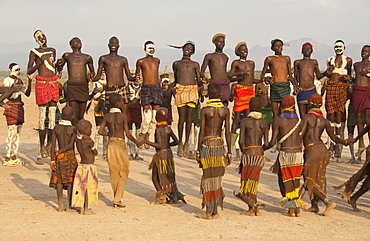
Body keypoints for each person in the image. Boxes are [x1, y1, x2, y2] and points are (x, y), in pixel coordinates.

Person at [300, 94, 349, 216]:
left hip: (311, 149)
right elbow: (334, 138)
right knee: (317, 179)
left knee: (308, 179)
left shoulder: (306, 117)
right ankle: (314, 206)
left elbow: (300, 134)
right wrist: (345, 142)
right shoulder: (325, 121)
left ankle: (327, 202)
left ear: (310, 104)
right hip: (323, 150)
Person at [196, 82, 231, 220]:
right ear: (220, 94)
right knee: (217, 178)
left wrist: (198, 150)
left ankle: (208, 211)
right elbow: (227, 132)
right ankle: (214, 210)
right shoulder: (225, 110)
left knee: (207, 177)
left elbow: (202, 132)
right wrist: (229, 152)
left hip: (207, 145)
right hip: (219, 145)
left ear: (208, 93)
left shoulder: (205, 110)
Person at [98, 94, 141, 207]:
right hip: (120, 143)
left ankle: (117, 197)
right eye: (122, 102)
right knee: (124, 170)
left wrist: (110, 133)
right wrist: (137, 142)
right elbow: (127, 134)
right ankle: (117, 199)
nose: (123, 104)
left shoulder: (107, 116)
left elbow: (100, 132)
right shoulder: (123, 116)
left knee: (114, 171)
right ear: (117, 103)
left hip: (111, 143)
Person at [266, 96, 304, 217]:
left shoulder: (278, 120)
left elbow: (272, 142)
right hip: (298, 153)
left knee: (285, 180)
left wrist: (262, 148)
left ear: (282, 105)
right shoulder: (299, 120)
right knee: (295, 180)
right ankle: (296, 208)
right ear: (294, 105)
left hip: (285, 153)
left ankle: (291, 209)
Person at [27, 30, 59, 165]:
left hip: (53, 83)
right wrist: (38, 64)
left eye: (43, 35)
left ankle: (49, 146)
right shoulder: (34, 52)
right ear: (36, 40)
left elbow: (55, 67)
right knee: (41, 118)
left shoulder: (53, 50)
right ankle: (40, 150)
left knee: (52, 119)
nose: (42, 38)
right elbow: (29, 71)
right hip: (41, 84)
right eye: (38, 37)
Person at [144, 107, 186, 204]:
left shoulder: (158, 129)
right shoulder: (168, 128)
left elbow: (159, 145)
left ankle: (162, 196)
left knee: (155, 177)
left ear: (157, 117)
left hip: (161, 155)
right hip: (168, 154)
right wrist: (167, 145)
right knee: (169, 177)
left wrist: (146, 141)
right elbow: (176, 141)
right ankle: (173, 195)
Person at [234, 97, 269, 216]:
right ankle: (255, 207)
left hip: (249, 152)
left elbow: (241, 141)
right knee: (254, 180)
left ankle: (252, 208)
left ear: (249, 107)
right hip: (259, 152)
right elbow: (268, 142)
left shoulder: (245, 121)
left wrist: (244, 151)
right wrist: (261, 149)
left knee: (246, 180)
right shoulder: (264, 122)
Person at [171, 41, 202, 157]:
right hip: (181, 90)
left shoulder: (195, 64)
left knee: (189, 119)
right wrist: (171, 88)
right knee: (181, 118)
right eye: (186, 47)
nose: (187, 49)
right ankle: (180, 143)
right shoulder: (176, 64)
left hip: (192, 90)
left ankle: (186, 144)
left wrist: (201, 82)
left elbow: (198, 80)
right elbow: (176, 78)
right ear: (182, 49)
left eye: (190, 48)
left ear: (193, 52)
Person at [228, 42, 256, 160]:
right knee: (236, 119)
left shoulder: (251, 63)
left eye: (246, 49)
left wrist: (264, 80)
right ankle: (232, 146)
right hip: (240, 91)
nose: (245, 51)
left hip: (250, 91)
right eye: (242, 50)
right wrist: (240, 75)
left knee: (248, 119)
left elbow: (252, 79)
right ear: (238, 52)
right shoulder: (236, 63)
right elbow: (230, 76)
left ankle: (246, 144)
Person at [324, 40, 353, 158]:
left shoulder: (348, 61)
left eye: (340, 46)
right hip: (331, 87)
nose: (338, 48)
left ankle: (336, 144)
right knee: (330, 114)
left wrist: (348, 79)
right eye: (336, 46)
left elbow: (350, 76)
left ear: (344, 48)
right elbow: (327, 74)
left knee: (338, 115)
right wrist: (327, 73)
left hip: (342, 88)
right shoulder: (330, 60)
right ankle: (331, 141)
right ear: (333, 48)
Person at [56, 37, 95, 122]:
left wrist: (90, 75)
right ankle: (74, 132)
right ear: (71, 45)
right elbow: (59, 68)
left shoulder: (87, 57)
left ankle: (79, 132)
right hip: (72, 86)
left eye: (79, 41)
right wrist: (58, 64)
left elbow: (92, 72)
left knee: (81, 115)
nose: (78, 42)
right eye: (75, 41)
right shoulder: (67, 56)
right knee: (73, 114)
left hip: (83, 86)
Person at [1, 63, 32, 166]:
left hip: (19, 107)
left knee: (18, 133)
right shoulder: (7, 80)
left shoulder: (19, 81)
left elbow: (27, 93)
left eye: (19, 69)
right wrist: (3, 104)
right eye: (16, 69)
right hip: (11, 106)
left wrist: (30, 80)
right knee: (11, 132)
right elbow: (5, 94)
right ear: (10, 69)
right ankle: (7, 157)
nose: (18, 71)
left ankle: (14, 156)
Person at [49, 106, 78, 212]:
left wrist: (52, 159)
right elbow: (71, 146)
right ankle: (68, 206)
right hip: (69, 156)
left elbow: (53, 145)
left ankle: (60, 204)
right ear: (72, 117)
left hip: (59, 158)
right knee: (70, 181)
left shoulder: (56, 128)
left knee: (59, 181)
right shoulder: (73, 129)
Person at [94, 36, 134, 109]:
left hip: (122, 88)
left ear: (118, 46)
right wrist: (91, 79)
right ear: (108, 45)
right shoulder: (103, 58)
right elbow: (98, 76)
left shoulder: (123, 59)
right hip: (110, 88)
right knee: (110, 112)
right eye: (111, 43)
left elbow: (129, 77)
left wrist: (134, 78)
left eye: (115, 43)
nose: (113, 45)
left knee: (124, 111)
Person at [261, 39, 297, 118]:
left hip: (285, 86)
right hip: (274, 86)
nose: (279, 47)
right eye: (276, 46)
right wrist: (266, 79)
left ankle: (281, 129)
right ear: (272, 48)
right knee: (275, 111)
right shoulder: (269, 59)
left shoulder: (287, 58)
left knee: (283, 110)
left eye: (280, 46)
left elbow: (290, 76)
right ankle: (275, 129)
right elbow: (262, 75)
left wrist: (295, 85)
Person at [294, 42, 331, 116]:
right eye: (305, 48)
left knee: (312, 115)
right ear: (302, 51)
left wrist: (325, 73)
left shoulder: (314, 62)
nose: (307, 50)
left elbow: (318, 76)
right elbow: (294, 77)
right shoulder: (297, 62)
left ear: (312, 51)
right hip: (301, 91)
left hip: (311, 91)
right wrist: (295, 86)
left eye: (309, 48)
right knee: (303, 116)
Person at [135, 41, 162, 145]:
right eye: (149, 48)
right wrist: (137, 81)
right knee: (146, 118)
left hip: (156, 88)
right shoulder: (141, 61)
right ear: (145, 49)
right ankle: (142, 133)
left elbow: (157, 74)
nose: (151, 50)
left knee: (155, 119)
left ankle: (148, 135)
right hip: (146, 88)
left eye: (153, 48)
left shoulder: (157, 61)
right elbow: (137, 75)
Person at [72, 120, 99, 215]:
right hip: (89, 167)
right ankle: (86, 208)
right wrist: (91, 141)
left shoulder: (78, 140)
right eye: (89, 129)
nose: (91, 131)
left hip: (81, 165)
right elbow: (95, 152)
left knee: (81, 187)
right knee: (88, 188)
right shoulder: (88, 142)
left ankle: (81, 208)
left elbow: (79, 136)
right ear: (84, 129)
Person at [200, 33, 230, 105]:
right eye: (219, 42)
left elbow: (224, 72)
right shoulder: (209, 56)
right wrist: (204, 79)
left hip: (225, 85)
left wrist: (239, 74)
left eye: (223, 42)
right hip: (214, 85)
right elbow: (201, 71)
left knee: (224, 105)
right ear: (215, 43)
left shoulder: (226, 57)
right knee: (213, 105)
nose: (221, 44)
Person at [351, 45, 370, 157]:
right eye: (363, 51)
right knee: (358, 119)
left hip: (367, 93)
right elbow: (356, 79)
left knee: (367, 119)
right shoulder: (356, 64)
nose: (364, 53)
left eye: (367, 51)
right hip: (357, 91)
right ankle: (361, 144)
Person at [89, 71, 108, 160]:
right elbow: (93, 95)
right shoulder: (95, 82)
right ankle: (95, 150)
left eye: (105, 72)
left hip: (107, 107)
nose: (103, 74)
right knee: (97, 129)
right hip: (98, 107)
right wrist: (99, 92)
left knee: (106, 130)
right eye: (102, 72)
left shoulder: (109, 82)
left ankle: (105, 153)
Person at [127, 78, 143, 160]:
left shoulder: (142, 87)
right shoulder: (128, 86)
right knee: (129, 132)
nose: (137, 80)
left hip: (138, 109)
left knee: (138, 132)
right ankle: (131, 153)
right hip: (129, 109)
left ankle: (137, 153)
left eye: (138, 78)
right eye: (135, 78)